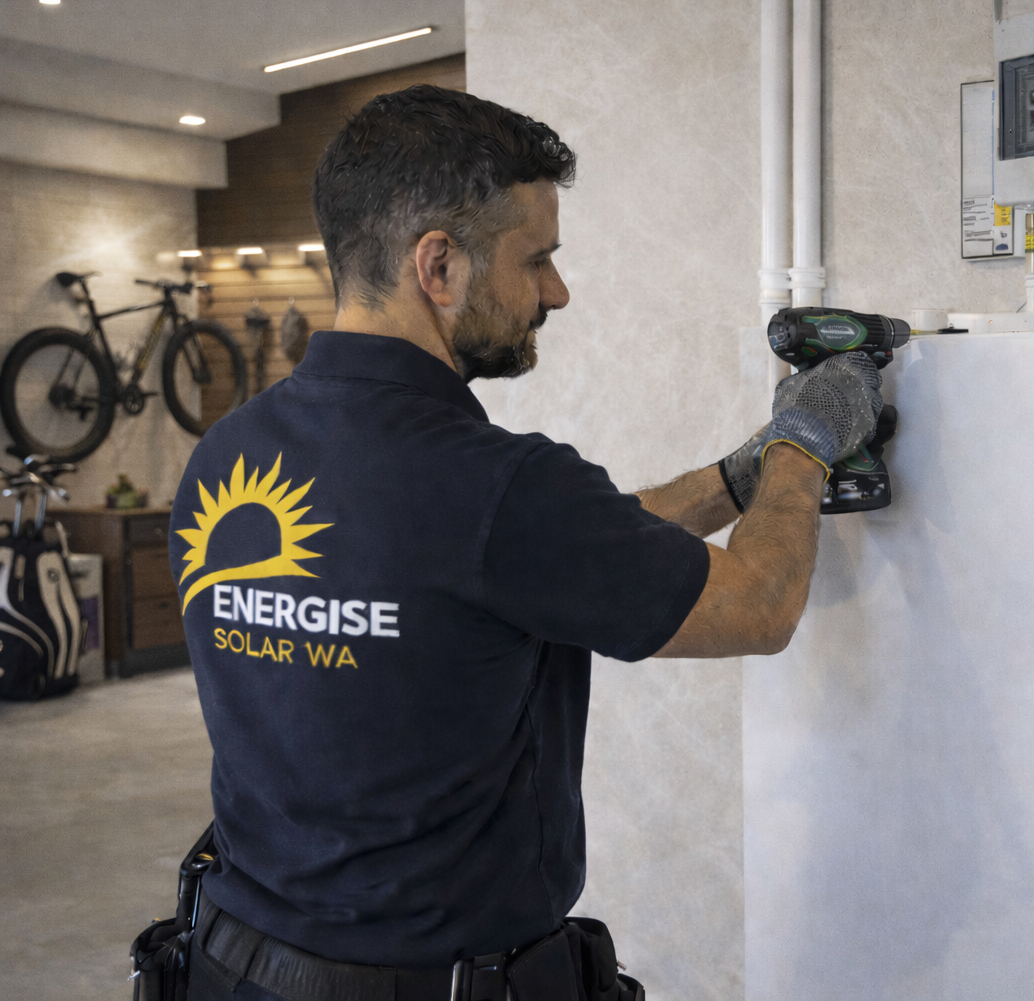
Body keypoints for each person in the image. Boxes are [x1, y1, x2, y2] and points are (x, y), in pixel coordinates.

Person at [170, 84, 883, 1000]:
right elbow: (759, 605)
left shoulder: (229, 453)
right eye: (536, 258)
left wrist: (739, 477)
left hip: (233, 967)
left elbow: (517, 567)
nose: (556, 290)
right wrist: (804, 442)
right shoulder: (495, 486)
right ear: (439, 266)